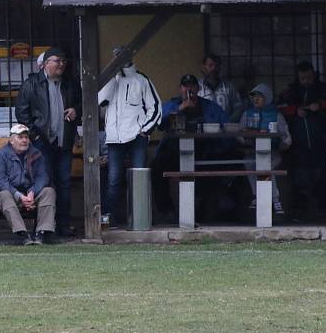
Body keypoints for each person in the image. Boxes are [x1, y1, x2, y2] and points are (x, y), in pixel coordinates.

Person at [15, 47, 81, 237]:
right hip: (41, 143)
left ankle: (63, 224)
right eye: (56, 61)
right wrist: (35, 136)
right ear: (45, 64)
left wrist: (76, 110)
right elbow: (21, 112)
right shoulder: (32, 84)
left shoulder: (70, 84)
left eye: (63, 61)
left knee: (64, 183)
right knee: (44, 184)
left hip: (64, 142)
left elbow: (84, 104)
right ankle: (45, 226)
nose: (61, 64)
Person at [152, 74, 230, 222]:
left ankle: (202, 213)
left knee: (217, 167)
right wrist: (180, 108)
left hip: (204, 151)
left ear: (198, 88)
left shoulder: (210, 106)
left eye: (192, 86)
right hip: (174, 152)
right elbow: (158, 124)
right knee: (156, 167)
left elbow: (225, 125)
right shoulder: (172, 104)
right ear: (180, 89)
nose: (189, 89)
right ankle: (166, 210)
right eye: (185, 86)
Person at [98, 46, 161, 226]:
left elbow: (155, 107)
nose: (119, 59)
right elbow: (100, 101)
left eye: (122, 57)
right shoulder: (109, 80)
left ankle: (141, 219)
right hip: (114, 139)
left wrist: (145, 130)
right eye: (116, 57)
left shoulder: (141, 80)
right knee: (113, 179)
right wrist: (112, 76)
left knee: (139, 177)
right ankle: (110, 219)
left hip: (136, 137)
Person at [277, 61, 326, 220]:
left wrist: (319, 105)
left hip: (321, 142)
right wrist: (296, 110)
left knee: (323, 176)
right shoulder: (291, 91)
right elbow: (278, 106)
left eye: (308, 77)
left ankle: (325, 210)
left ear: (313, 75)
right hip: (298, 144)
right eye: (302, 78)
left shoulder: (323, 90)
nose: (306, 81)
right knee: (299, 178)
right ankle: (299, 211)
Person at [0, 124, 55, 245]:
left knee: (49, 192)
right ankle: (22, 234)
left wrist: (32, 192)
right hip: (12, 194)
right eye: (20, 137)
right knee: (4, 194)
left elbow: (43, 176)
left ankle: (42, 232)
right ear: (11, 140)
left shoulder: (36, 153)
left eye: (26, 137)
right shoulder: (1, 155)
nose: (25, 140)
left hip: (31, 194)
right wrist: (19, 195)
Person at [241, 83, 291, 218]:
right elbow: (239, 133)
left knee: (265, 166)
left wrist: (280, 147)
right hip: (252, 151)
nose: (255, 100)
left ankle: (275, 201)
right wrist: (246, 141)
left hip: (272, 152)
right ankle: (257, 196)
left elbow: (286, 138)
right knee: (250, 163)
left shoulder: (276, 115)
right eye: (253, 97)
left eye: (259, 97)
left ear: (267, 98)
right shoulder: (247, 113)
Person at [198, 54, 243, 122]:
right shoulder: (197, 87)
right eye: (210, 65)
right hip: (204, 129)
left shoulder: (229, 86)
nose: (214, 68)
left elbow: (238, 107)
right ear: (204, 67)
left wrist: (229, 121)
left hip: (226, 129)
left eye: (216, 66)